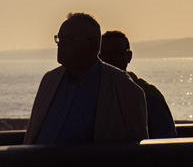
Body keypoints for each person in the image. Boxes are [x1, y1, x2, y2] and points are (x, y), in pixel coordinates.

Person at [24, 12, 148, 144]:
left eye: (69, 40)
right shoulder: (49, 80)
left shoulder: (125, 89)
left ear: (91, 45)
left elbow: (136, 152)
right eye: (59, 39)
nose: (61, 45)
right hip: (37, 164)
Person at [100, 30, 177, 139]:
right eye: (108, 53)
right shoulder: (91, 93)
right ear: (99, 58)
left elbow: (166, 140)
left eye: (118, 53)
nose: (113, 58)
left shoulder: (149, 95)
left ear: (129, 56)